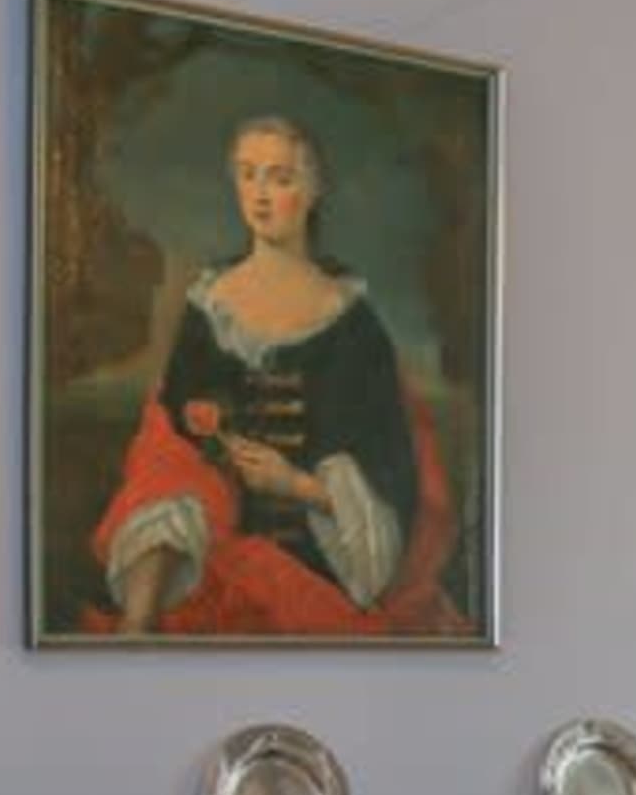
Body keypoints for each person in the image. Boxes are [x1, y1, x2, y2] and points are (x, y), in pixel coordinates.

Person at [92, 113, 451, 636]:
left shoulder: (351, 323)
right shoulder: (209, 307)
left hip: (320, 570)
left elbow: (389, 479)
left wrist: (296, 483)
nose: (260, 195)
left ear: (313, 190)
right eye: (247, 174)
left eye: (280, 178)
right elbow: (168, 447)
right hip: (205, 559)